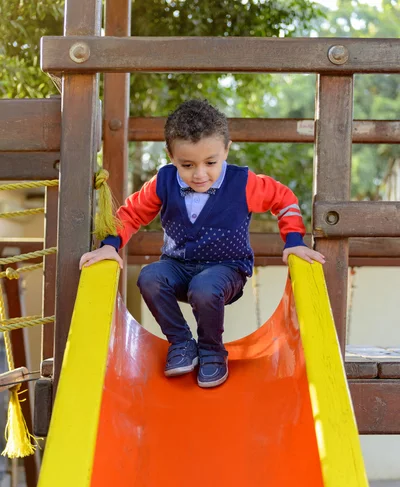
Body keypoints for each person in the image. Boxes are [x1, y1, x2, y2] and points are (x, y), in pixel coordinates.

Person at [80, 99, 325, 388]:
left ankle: (212, 351)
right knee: (149, 277)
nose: (200, 174)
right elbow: (131, 213)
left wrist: (293, 241)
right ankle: (182, 343)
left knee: (205, 287)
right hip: (178, 268)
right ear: (171, 155)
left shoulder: (242, 182)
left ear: (226, 150)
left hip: (226, 270)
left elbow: (284, 200)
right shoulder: (164, 181)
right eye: (187, 165)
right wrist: (109, 245)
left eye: (211, 162)